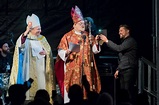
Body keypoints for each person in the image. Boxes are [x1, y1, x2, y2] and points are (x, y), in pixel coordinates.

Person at [54, 5, 101, 103]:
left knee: (87, 88)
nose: (83, 24)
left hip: (87, 67)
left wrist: (96, 43)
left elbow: (95, 50)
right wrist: (66, 53)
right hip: (73, 67)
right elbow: (60, 50)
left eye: (83, 23)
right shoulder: (67, 36)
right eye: (80, 23)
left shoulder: (88, 35)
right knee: (74, 89)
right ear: (74, 25)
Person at [9, 14, 56, 102]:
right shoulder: (25, 38)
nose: (40, 31)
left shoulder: (42, 38)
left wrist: (46, 53)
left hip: (40, 67)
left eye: (40, 28)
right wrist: (26, 32)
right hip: (28, 67)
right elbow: (20, 46)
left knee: (41, 86)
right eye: (38, 29)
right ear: (32, 29)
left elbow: (49, 51)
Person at [100, 24, 138, 105]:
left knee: (128, 92)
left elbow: (118, 48)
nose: (119, 32)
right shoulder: (125, 42)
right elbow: (123, 59)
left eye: (121, 30)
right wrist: (118, 69)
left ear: (127, 31)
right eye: (119, 31)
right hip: (123, 69)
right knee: (123, 92)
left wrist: (107, 41)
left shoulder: (130, 41)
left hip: (128, 70)